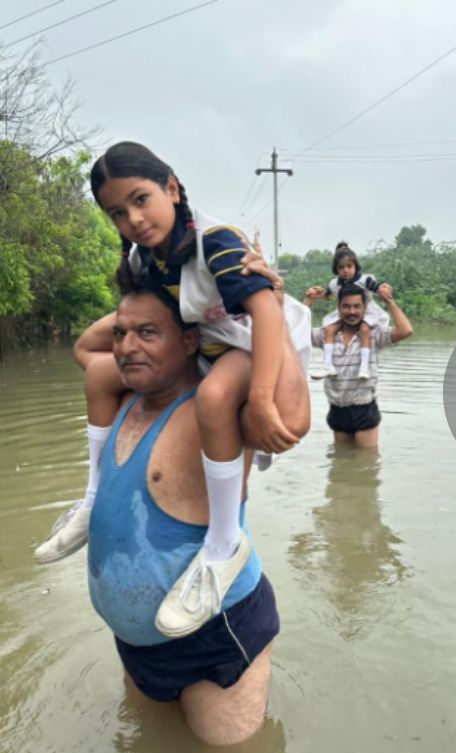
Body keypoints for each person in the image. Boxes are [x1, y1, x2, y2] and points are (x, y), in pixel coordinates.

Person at [32, 141, 312, 641]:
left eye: (141, 200)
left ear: (172, 188)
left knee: (213, 397)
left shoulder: (215, 240)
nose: (134, 219)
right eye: (118, 213)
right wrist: (119, 334)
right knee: (99, 374)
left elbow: (266, 315)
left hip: (251, 347)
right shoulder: (151, 260)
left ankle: (225, 544)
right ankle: (93, 497)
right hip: (208, 348)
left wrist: (265, 398)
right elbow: (121, 331)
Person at [77, 279, 282, 746]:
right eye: (121, 334)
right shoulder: (122, 397)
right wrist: (153, 281)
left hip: (214, 640)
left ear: (189, 340)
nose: (128, 347)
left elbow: (286, 413)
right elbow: (86, 347)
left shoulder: (222, 412)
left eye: (148, 333)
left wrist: (218, 307)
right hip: (135, 645)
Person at [302, 281, 413, 448]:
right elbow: (292, 330)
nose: (351, 312)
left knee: (366, 465)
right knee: (341, 464)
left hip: (364, 409)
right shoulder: (326, 334)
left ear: (364, 308)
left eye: (356, 306)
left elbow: (406, 331)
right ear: (339, 308)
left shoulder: (374, 335)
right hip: (337, 409)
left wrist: (389, 301)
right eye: (346, 306)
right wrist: (309, 300)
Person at [306, 242, 388, 380]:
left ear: (355, 266)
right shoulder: (335, 283)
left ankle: (364, 368)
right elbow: (328, 294)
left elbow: (377, 287)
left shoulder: (364, 280)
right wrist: (317, 292)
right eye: (341, 267)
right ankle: (328, 366)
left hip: (366, 311)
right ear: (336, 269)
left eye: (349, 266)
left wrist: (383, 289)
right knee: (329, 329)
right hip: (344, 314)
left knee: (364, 329)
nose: (345, 270)